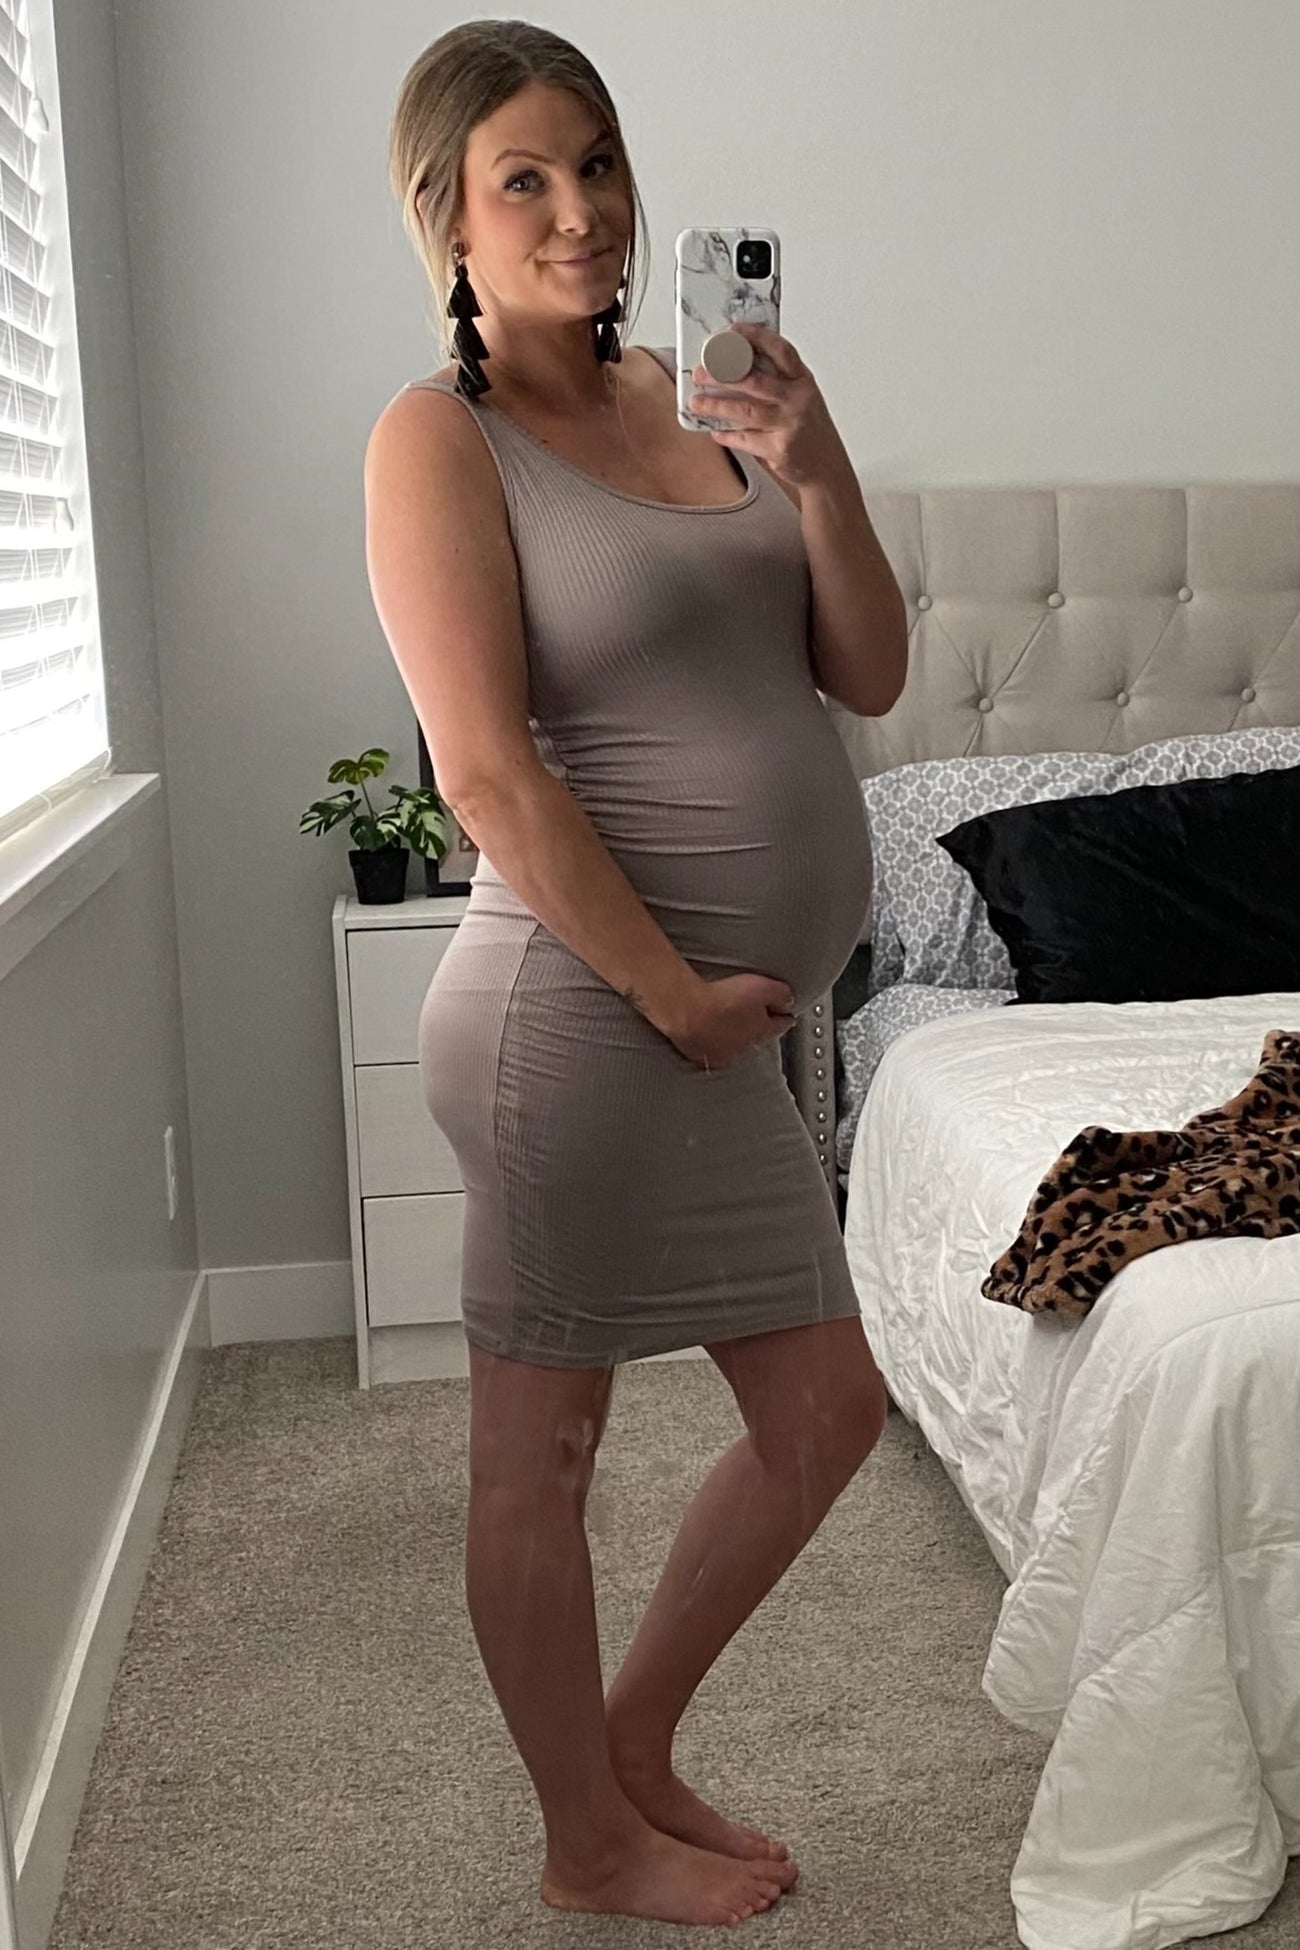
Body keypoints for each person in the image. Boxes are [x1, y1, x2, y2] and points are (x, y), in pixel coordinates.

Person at [365, 18, 908, 1932]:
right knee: (546, 1447)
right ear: (447, 219)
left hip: (700, 1037)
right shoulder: (438, 439)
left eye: (596, 163)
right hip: (580, 1014)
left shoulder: (699, 395)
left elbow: (867, 672)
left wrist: (818, 470)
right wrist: (675, 996)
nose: (581, 211)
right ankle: (585, 1838)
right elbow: (484, 774)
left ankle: (628, 1747)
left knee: (826, 1409)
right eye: (525, 179)